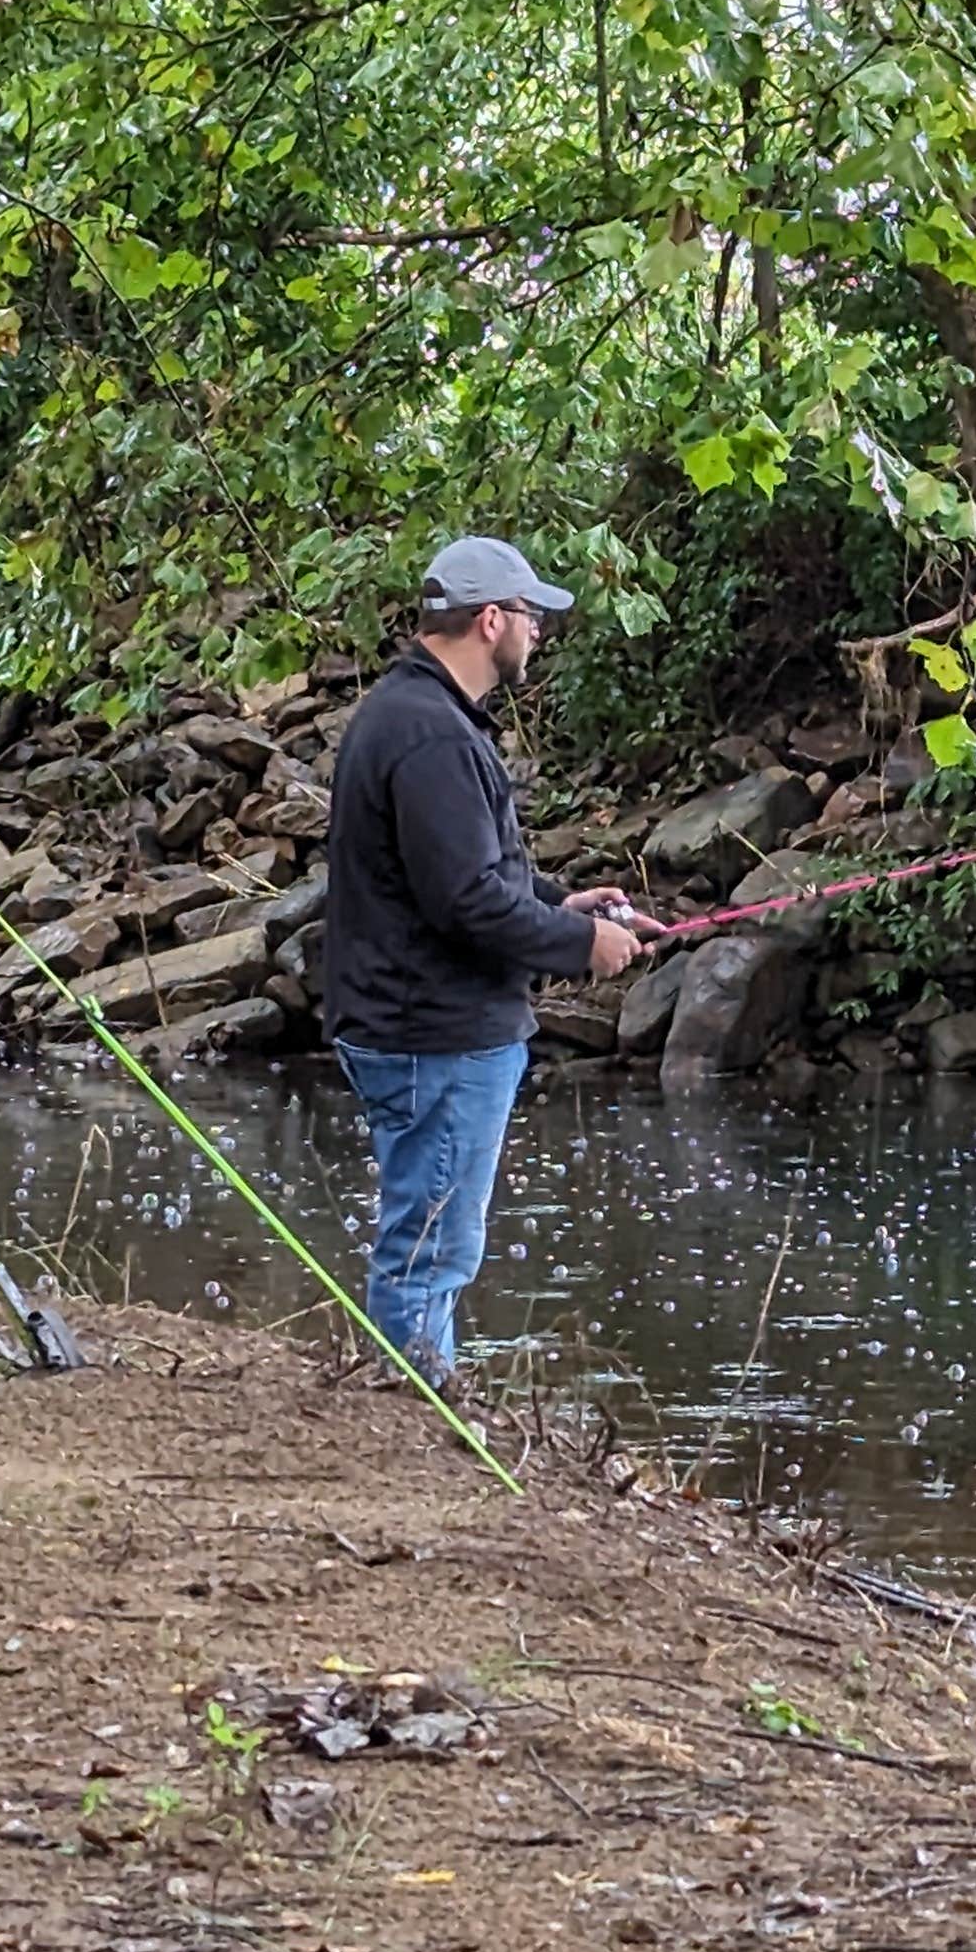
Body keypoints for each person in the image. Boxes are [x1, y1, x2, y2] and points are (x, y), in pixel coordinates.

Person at [321, 535, 651, 1383]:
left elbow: (462, 873)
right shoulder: (431, 736)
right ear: (490, 620)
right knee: (433, 1245)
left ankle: (414, 1399)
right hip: (434, 1033)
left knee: (429, 1235)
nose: (537, 631)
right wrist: (583, 945)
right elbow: (464, 902)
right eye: (530, 615)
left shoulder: (416, 716)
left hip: (418, 1023)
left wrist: (555, 903)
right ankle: (415, 1410)